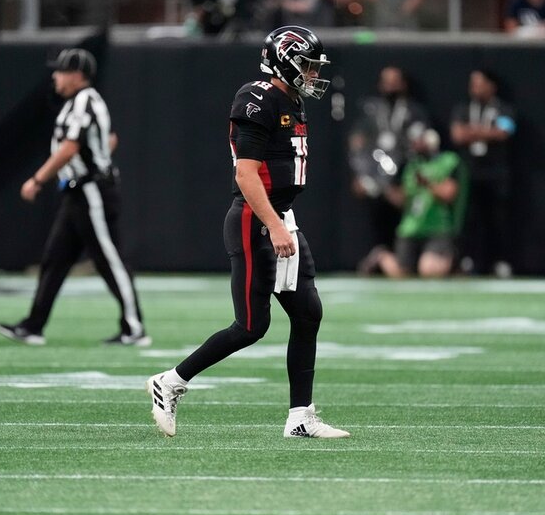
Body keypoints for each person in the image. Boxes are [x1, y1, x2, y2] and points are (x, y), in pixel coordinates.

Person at [146, 26, 349, 439]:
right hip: (255, 219)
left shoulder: (290, 99)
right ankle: (169, 382)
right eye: (306, 66)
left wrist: (280, 220)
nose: (312, 75)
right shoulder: (257, 97)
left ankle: (300, 417)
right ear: (284, 61)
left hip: (280, 216)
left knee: (308, 312)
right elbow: (245, 172)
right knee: (251, 326)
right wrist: (273, 223)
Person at [0, 48, 149, 348]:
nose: (55, 76)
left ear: (77, 76)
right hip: (78, 192)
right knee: (54, 259)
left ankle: (134, 327)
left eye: (61, 71)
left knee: (108, 260)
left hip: (92, 191)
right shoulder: (78, 103)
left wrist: (37, 179)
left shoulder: (84, 100)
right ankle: (33, 326)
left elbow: (69, 148)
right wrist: (99, 155)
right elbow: (110, 139)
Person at [357, 128, 467, 278]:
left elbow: (449, 193)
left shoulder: (448, 161)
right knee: (400, 274)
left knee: (429, 270)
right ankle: (380, 255)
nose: (416, 144)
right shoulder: (411, 166)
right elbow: (402, 199)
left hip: (436, 226)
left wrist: (427, 183)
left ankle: (454, 262)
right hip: (411, 228)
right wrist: (379, 186)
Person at [349, 66, 430, 258]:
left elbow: (421, 146)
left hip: (404, 181)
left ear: (403, 84)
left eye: (394, 81)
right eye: (386, 81)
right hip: (375, 180)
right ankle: (377, 259)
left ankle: (403, 261)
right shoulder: (371, 111)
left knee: (403, 226)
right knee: (375, 224)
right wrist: (362, 175)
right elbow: (357, 144)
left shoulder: (414, 111)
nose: (390, 86)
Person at [450, 69, 517, 278]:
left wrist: (472, 131)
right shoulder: (463, 108)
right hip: (470, 172)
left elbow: (504, 132)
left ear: (491, 86)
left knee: (497, 220)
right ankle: (470, 261)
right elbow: (457, 135)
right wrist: (488, 132)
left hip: (495, 173)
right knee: (470, 219)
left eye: (479, 84)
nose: (474, 88)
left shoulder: (504, 109)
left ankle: (499, 261)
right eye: (472, 84)